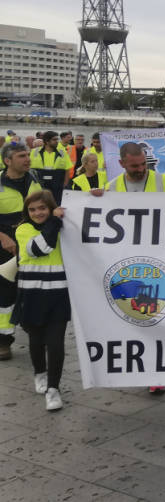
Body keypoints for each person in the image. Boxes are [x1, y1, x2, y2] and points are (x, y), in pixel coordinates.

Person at [101, 142, 165, 395]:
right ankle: (146, 369)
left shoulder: (163, 182)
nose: (141, 169)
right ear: (121, 164)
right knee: (140, 318)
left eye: (143, 164)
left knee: (158, 316)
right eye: (135, 166)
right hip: (132, 266)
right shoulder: (111, 188)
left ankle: (158, 372)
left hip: (161, 262)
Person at [12, 190, 70, 411]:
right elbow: (40, 248)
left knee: (56, 343)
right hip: (32, 295)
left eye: (42, 208)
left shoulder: (60, 227)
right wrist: (55, 219)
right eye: (32, 209)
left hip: (58, 295)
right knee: (36, 341)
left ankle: (53, 389)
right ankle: (40, 373)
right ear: (27, 212)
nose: (37, 213)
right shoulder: (23, 229)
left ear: (51, 207)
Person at [0, 143, 43, 360]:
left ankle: (32, 328)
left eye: (28, 155)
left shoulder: (33, 178)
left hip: (31, 246)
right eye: (22, 156)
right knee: (5, 296)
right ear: (8, 161)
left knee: (32, 290)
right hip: (4, 248)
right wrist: (2, 236)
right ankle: (4, 341)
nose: (28, 159)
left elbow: (47, 207)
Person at [30, 131, 70, 205]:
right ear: (47, 141)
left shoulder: (62, 152)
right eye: (54, 140)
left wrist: (65, 184)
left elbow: (67, 169)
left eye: (57, 139)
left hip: (57, 185)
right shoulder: (34, 152)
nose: (57, 142)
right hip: (39, 184)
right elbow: (28, 170)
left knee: (56, 204)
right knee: (40, 203)